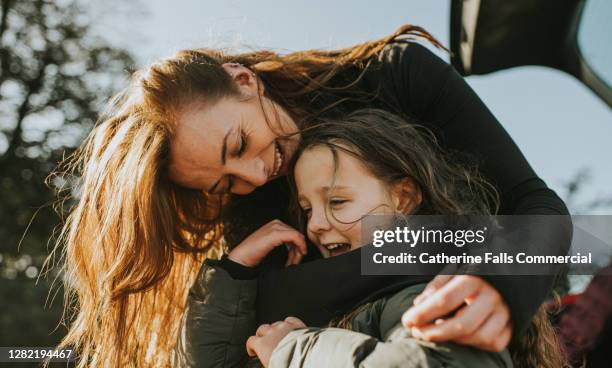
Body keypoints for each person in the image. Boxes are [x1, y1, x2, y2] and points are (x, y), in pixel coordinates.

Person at [49, 25, 571, 367]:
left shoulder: (396, 75)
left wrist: (501, 283)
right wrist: (231, 276)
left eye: (240, 143)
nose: (255, 176)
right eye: (224, 184)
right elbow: (264, 321)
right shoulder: (253, 203)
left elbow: (541, 211)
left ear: (243, 79)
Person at [176, 109, 566, 368]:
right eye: (308, 210)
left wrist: (292, 350)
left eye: (338, 201)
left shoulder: (425, 288)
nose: (317, 225)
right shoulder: (345, 303)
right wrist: (233, 272)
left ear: (404, 199)